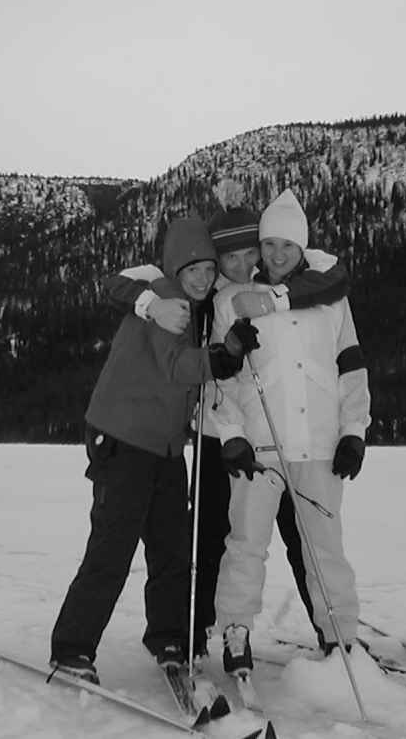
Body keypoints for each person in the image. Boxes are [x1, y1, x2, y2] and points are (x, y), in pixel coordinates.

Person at [102, 205, 350, 658]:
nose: (240, 265)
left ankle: (332, 633)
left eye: (248, 253)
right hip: (217, 434)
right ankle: (197, 633)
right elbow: (116, 283)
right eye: (228, 258)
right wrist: (152, 304)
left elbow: (334, 276)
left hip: (278, 437)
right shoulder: (197, 282)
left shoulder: (283, 284)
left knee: (302, 538)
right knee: (214, 535)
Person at [48, 217, 260, 685]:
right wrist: (222, 357)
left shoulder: (192, 301)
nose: (203, 278)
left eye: (209, 268)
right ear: (175, 268)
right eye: (194, 269)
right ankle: (71, 648)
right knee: (113, 546)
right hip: (124, 438)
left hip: (164, 445)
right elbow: (177, 365)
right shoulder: (166, 300)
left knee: (171, 546)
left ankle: (168, 635)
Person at [210, 188, 370, 674]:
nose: (279, 255)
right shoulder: (232, 301)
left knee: (326, 550)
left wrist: (354, 431)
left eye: (289, 246)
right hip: (260, 448)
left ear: (303, 248)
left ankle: (340, 638)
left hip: (319, 448)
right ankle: (236, 632)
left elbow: (351, 369)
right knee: (245, 545)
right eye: (271, 245)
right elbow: (222, 381)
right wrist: (231, 434)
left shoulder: (331, 301)